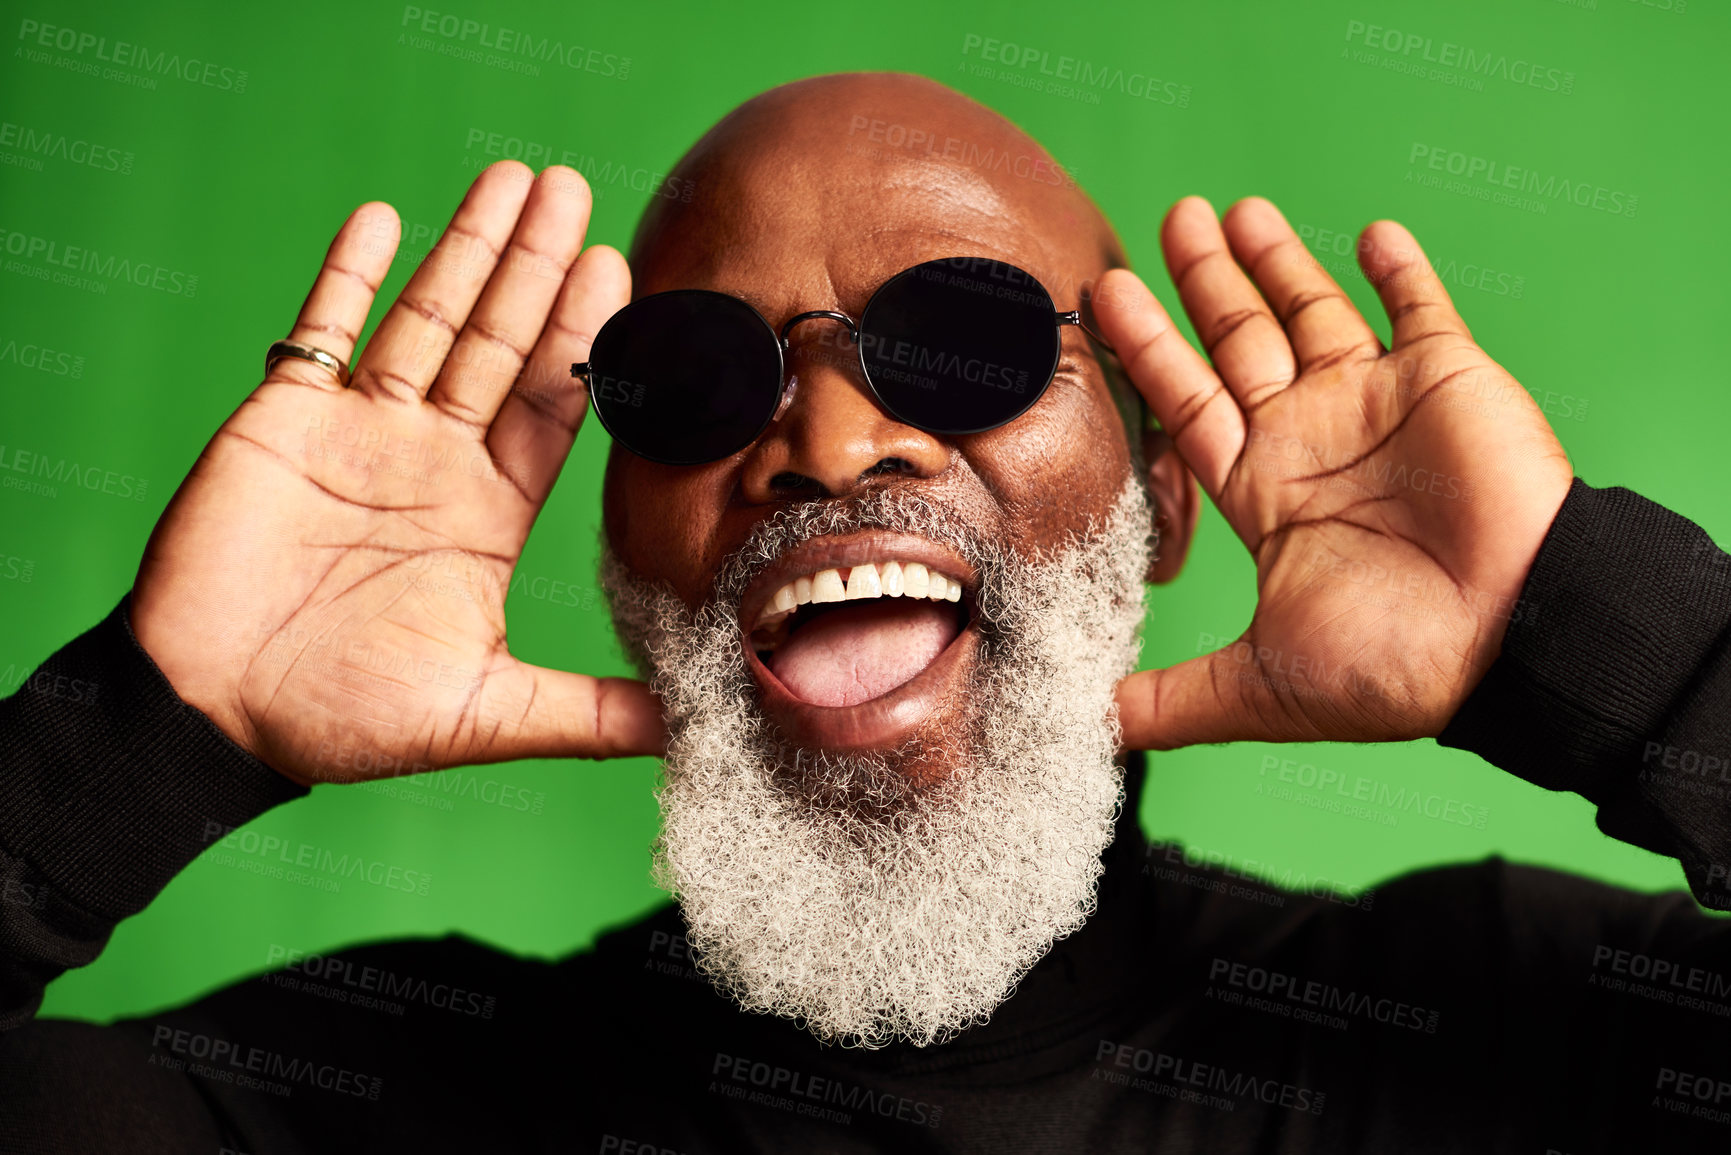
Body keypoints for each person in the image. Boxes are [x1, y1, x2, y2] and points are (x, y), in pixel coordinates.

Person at [3, 71, 1729, 1153]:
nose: (826, 445)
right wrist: (141, 740)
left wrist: (1623, 649)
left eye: (966, 345)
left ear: (1166, 498)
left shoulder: (1515, 1027)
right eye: (692, 380)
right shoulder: (363, 1096)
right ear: (621, 557)